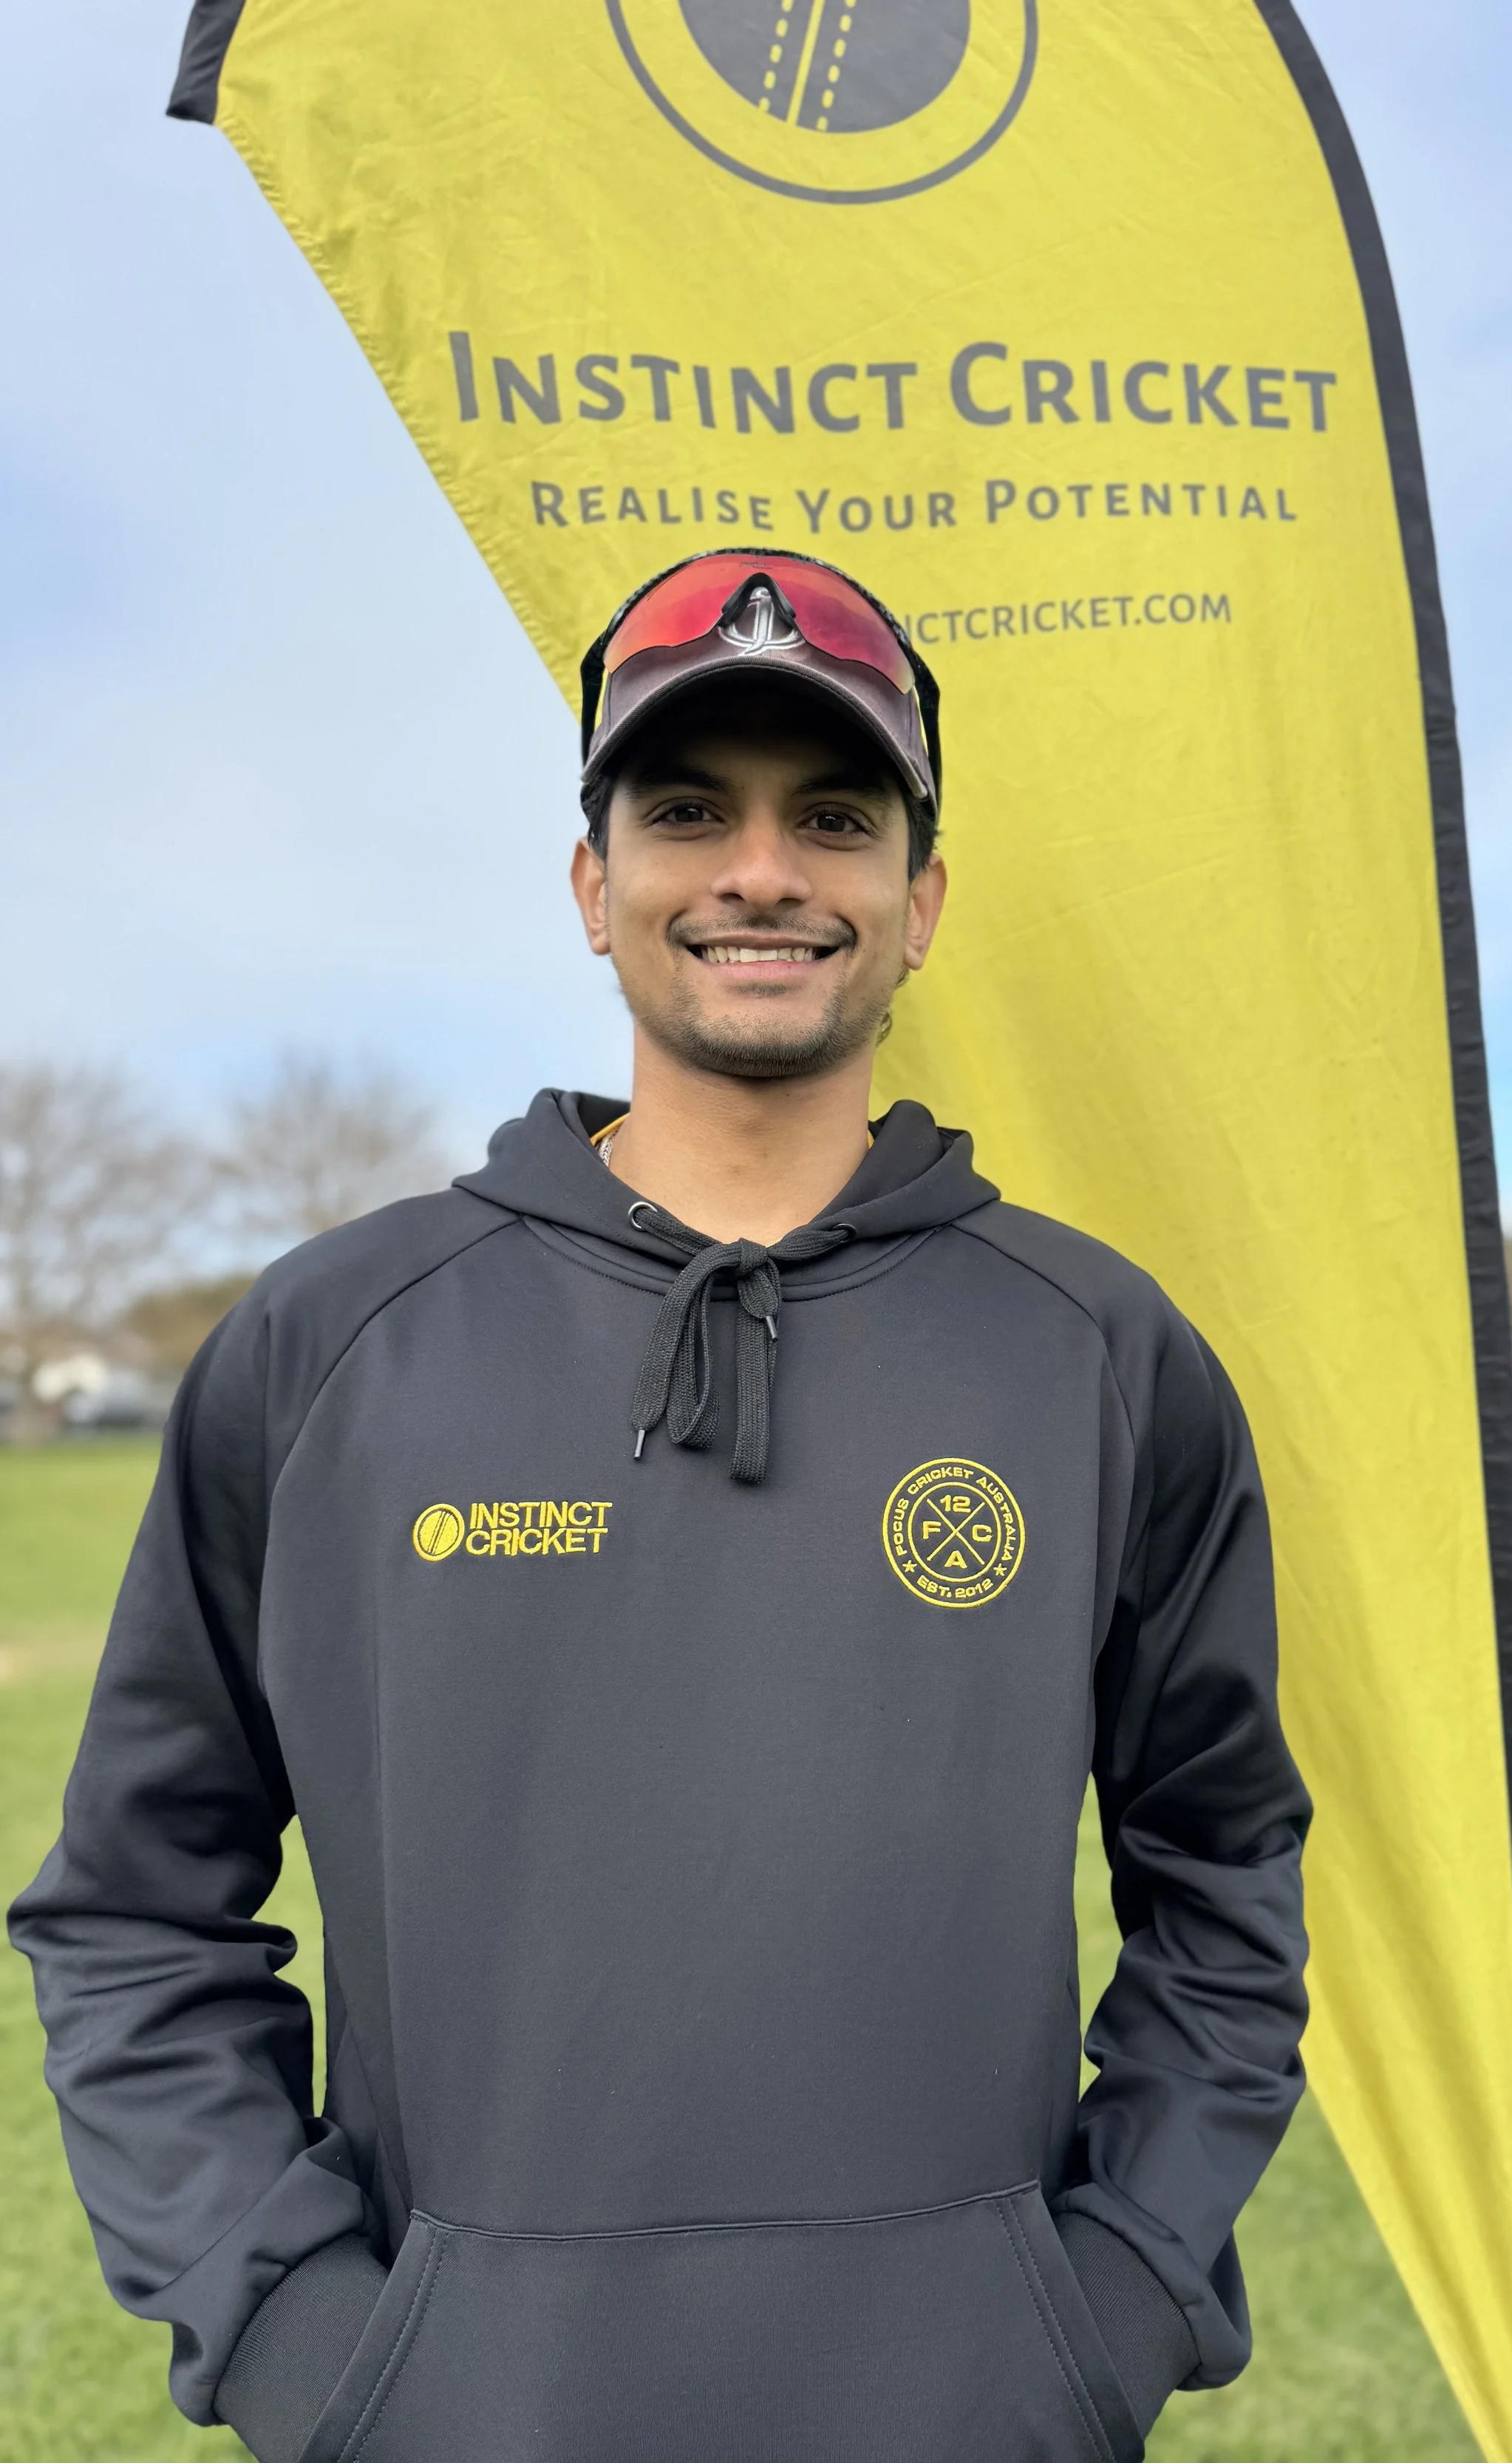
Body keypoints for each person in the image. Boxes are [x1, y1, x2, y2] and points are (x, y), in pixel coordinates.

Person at [11, 550, 1310, 2463]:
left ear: (918, 898)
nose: (761, 870)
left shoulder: (1100, 1352)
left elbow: (1222, 1876)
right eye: (687, 807)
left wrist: (1107, 2297)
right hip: (463, 2417)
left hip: (977, 2414)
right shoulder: (328, 1345)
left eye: (835, 815)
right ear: (589, 885)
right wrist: (308, 2349)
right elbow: (135, 1910)